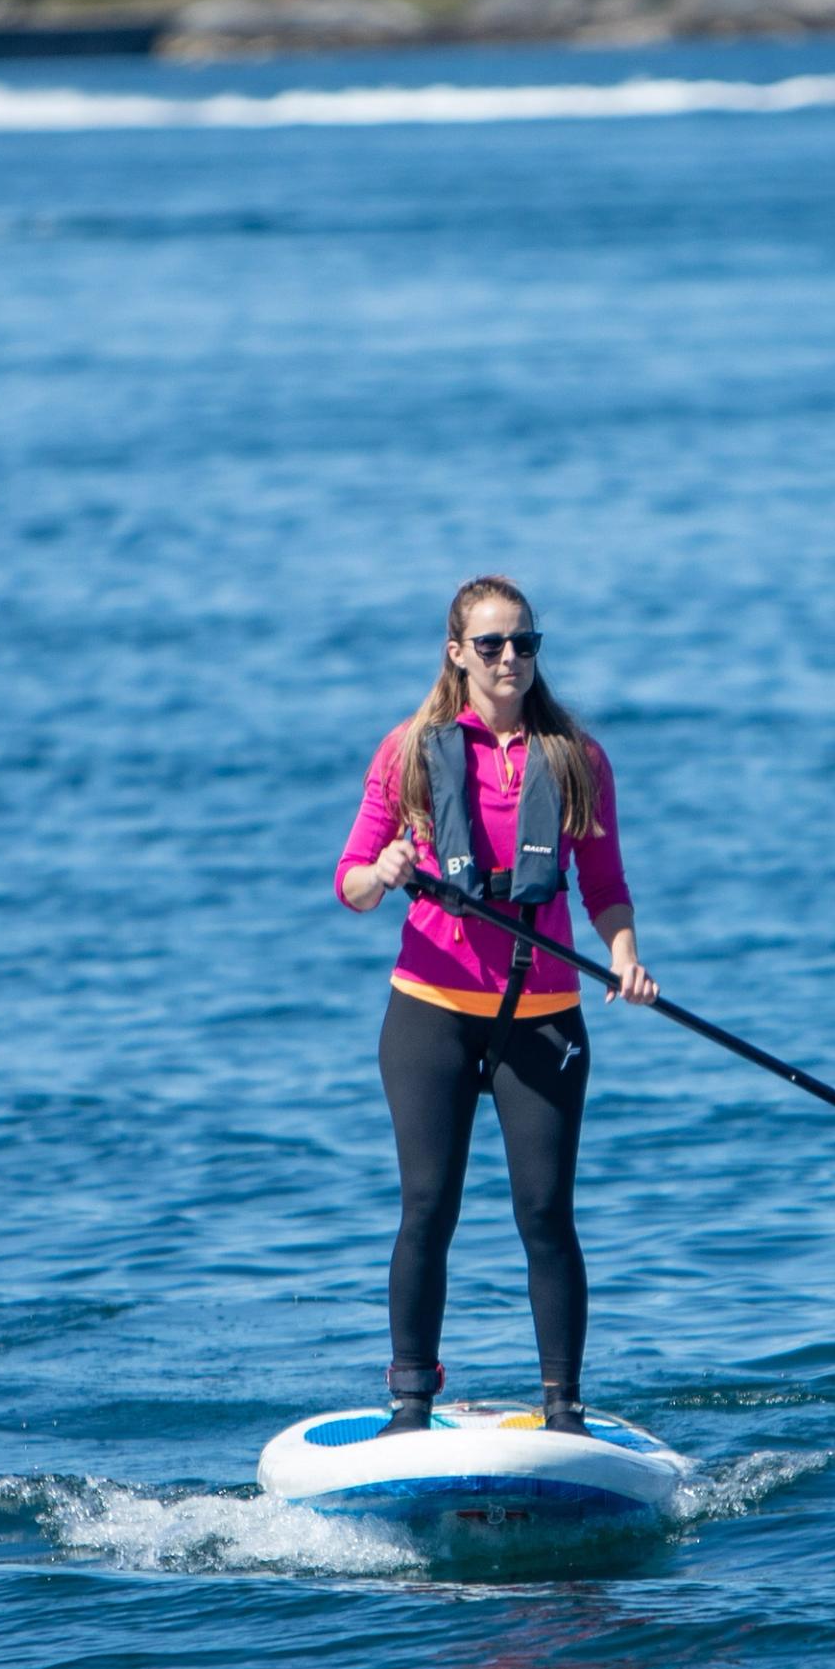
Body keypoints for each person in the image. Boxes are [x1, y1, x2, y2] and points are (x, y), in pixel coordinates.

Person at [334, 578, 656, 1435]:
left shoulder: (574, 758)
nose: (510, 658)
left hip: (542, 1010)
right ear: (456, 654)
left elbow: (607, 887)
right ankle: (408, 1407)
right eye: (491, 645)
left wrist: (623, 958)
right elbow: (352, 883)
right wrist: (389, 869)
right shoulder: (410, 751)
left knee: (546, 1213)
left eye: (525, 643)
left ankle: (564, 1411)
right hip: (430, 1007)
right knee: (428, 1207)